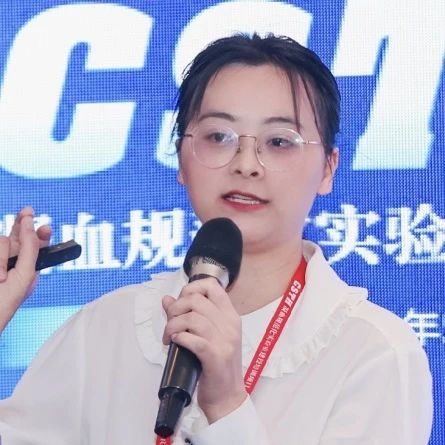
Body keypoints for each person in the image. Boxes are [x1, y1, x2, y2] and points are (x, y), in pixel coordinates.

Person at [0, 34, 432, 444]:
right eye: (219, 136)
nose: (246, 164)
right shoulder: (105, 328)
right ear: (181, 157)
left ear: (328, 169)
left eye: (279, 141)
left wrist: (226, 404)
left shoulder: (375, 351)